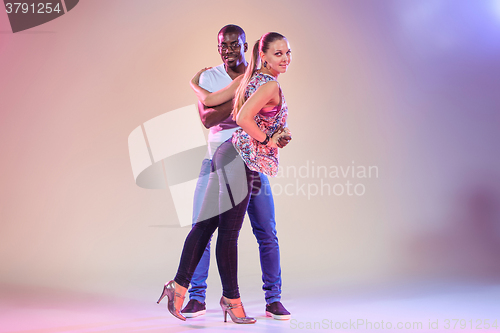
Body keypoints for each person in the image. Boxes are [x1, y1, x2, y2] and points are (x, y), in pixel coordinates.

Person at [157, 30, 292, 325]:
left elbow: (216, 102)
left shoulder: (246, 79)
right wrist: (268, 138)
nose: (286, 59)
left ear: (247, 48)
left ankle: (178, 286)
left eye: (287, 53)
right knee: (226, 232)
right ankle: (227, 300)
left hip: (232, 156)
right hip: (238, 159)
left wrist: (194, 85)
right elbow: (228, 117)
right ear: (264, 56)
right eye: (279, 53)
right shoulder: (264, 84)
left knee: (210, 226)